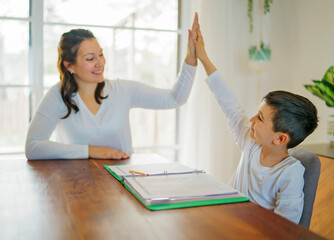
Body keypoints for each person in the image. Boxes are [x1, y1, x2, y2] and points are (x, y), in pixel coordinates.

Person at [25, 14, 200, 160]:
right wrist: (91, 151)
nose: (100, 63)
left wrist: (191, 58)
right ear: (69, 66)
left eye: (101, 54)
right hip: (76, 185)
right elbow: (33, 147)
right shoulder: (58, 95)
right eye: (90, 58)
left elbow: (175, 99)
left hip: (123, 183)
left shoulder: (123, 90)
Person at [193, 26, 318, 223]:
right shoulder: (251, 143)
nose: (251, 120)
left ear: (280, 138)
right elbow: (230, 105)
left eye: (260, 118)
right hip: (225, 221)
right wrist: (203, 57)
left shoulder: (290, 173)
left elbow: (285, 228)